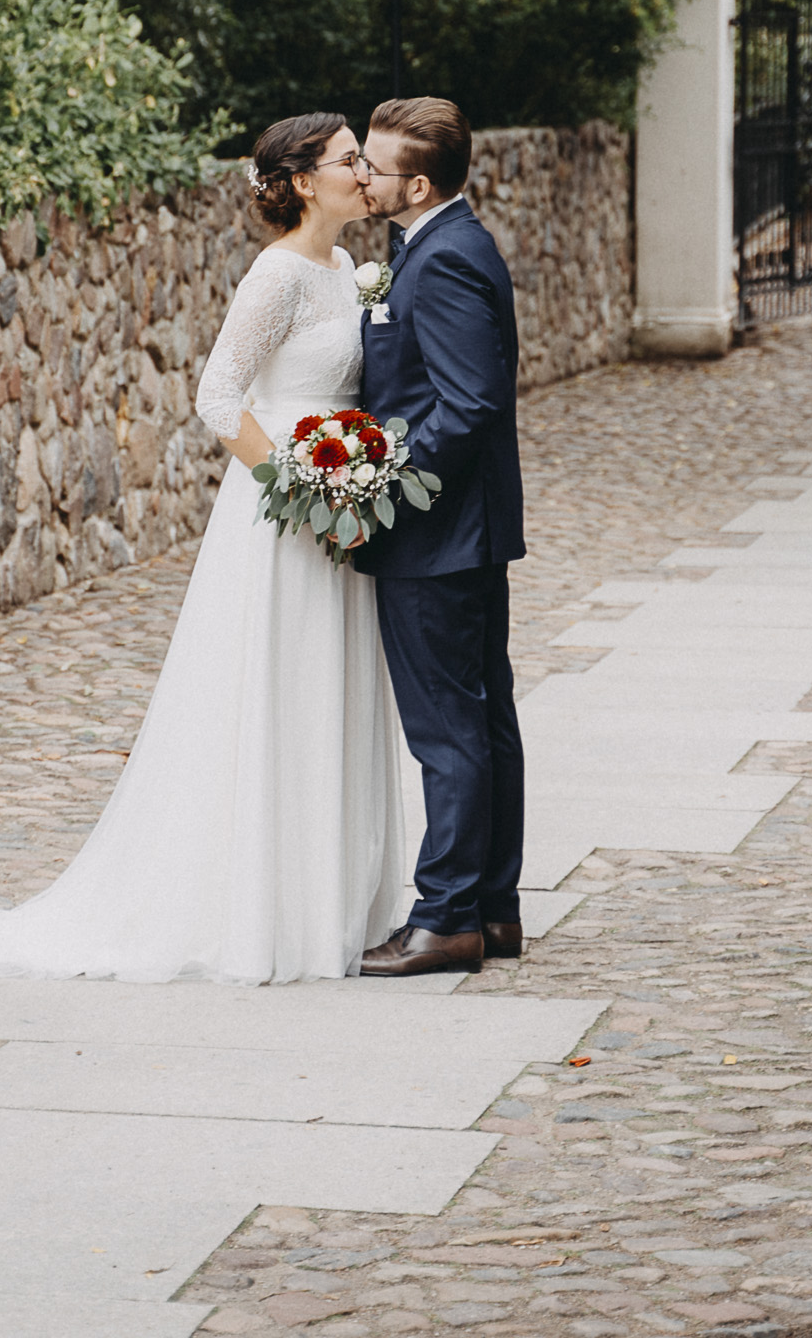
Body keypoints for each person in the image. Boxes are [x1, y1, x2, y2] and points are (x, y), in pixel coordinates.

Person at [0, 115, 413, 984]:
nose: (363, 169)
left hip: (344, 502)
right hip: (284, 512)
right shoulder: (277, 275)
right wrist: (303, 492)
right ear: (299, 182)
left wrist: (358, 484)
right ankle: (253, 908)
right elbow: (218, 398)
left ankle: (331, 900)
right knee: (272, 691)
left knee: (329, 691)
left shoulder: (348, 273)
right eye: (347, 159)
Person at [351, 97, 527, 978]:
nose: (361, 178)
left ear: (417, 183)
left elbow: (467, 405)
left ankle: (447, 917)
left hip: (438, 531)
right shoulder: (435, 243)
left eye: (374, 169)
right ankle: (493, 910)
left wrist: (378, 488)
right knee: (483, 721)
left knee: (449, 729)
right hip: (468, 529)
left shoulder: (447, 258)